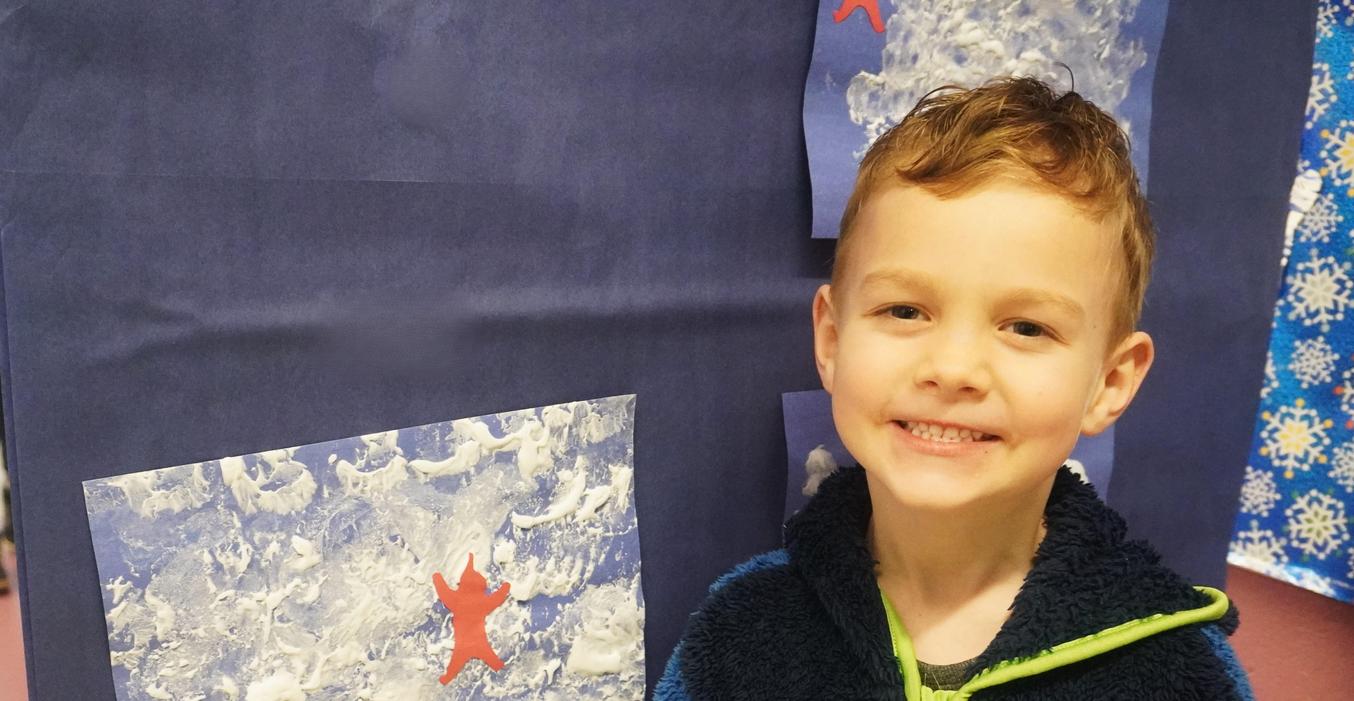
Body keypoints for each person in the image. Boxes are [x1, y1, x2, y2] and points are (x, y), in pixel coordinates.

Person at [655, 77, 1255, 700]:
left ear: (1109, 382)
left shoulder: (1178, 670)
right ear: (832, 341)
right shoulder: (741, 632)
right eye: (905, 311)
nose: (952, 367)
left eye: (1026, 327)